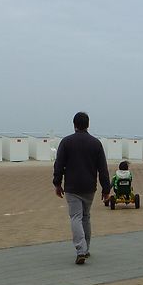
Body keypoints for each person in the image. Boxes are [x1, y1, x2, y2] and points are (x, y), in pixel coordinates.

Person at [53, 112, 111, 264]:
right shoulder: (95, 143)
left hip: (72, 187)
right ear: (88, 125)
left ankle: (81, 250)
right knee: (86, 216)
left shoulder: (66, 142)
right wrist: (106, 189)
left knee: (76, 217)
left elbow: (58, 164)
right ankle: (86, 248)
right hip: (89, 187)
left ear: (74, 124)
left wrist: (57, 183)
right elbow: (103, 169)